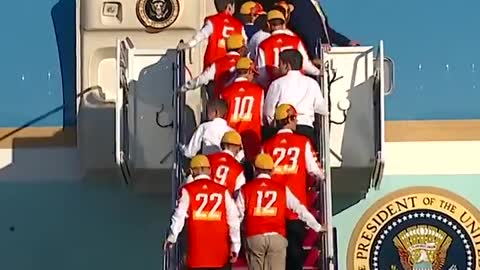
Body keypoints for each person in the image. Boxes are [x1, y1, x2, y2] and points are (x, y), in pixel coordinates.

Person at [261, 104, 324, 270]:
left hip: (271, 207)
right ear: (289, 119)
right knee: (295, 256)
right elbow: (314, 169)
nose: (297, 121)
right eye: (295, 118)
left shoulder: (266, 145)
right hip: (296, 206)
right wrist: (322, 176)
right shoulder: (302, 142)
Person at [235, 153, 324, 270]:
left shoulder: (245, 189)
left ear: (255, 169)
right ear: (272, 171)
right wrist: (317, 226)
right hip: (277, 236)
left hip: (254, 235)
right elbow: (299, 208)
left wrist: (236, 239)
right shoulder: (281, 189)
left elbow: (237, 216)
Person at [164, 155, 241, 270]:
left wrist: (172, 236)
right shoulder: (223, 191)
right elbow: (234, 220)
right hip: (220, 255)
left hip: (196, 253)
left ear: (191, 171)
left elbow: (179, 215)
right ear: (209, 170)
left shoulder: (187, 190)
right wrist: (236, 246)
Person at [263, 49, 327, 143]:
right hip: (306, 129)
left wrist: (274, 126)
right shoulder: (312, 83)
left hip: (284, 127)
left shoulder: (277, 83)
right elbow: (322, 108)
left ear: (287, 65)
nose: (278, 67)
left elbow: (268, 111)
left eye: (280, 64)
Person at [255, 10, 320, 89]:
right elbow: (305, 65)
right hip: (297, 86)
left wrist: (268, 88)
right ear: (284, 24)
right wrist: (318, 73)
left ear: (268, 25)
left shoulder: (263, 45)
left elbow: (262, 75)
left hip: (276, 86)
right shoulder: (296, 40)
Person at [177, 0, 246, 69]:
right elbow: (245, 44)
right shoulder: (239, 25)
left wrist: (188, 44)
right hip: (232, 65)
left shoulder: (212, 21)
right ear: (229, 6)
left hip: (212, 63)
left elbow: (201, 35)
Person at [221, 57, 264, 163]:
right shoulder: (259, 91)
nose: (253, 76)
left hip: (231, 140)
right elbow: (262, 117)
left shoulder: (225, 92)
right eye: (253, 73)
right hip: (252, 139)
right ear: (249, 71)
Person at [180, 34, 248, 99]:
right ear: (241, 49)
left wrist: (184, 87)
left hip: (221, 104)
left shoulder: (217, 63)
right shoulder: (247, 64)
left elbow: (202, 79)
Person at [288, 0, 360, 58]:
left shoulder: (315, 4)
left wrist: (347, 42)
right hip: (312, 57)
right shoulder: (301, 3)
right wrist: (315, 54)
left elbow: (326, 31)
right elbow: (305, 30)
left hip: (323, 56)